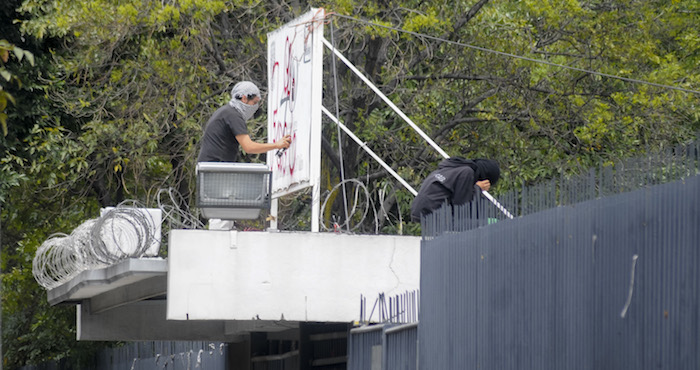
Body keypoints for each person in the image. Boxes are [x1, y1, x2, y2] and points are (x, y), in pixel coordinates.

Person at [197, 81, 291, 163]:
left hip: (211, 168)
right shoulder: (233, 115)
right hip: (213, 169)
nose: (255, 107)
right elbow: (249, 147)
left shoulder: (226, 112)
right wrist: (276, 145)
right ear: (244, 98)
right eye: (254, 103)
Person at [410, 157, 500, 222]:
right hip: (431, 214)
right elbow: (461, 208)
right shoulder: (466, 172)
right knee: (484, 224)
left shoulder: (453, 167)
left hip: (423, 211)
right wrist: (477, 189)